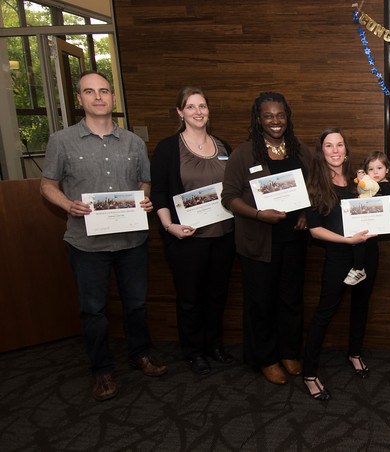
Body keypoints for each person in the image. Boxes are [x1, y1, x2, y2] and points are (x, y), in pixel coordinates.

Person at [40, 71, 167, 401]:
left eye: (104, 91)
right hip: (87, 243)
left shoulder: (134, 143)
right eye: (89, 92)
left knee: (136, 304)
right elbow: (47, 186)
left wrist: (144, 198)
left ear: (113, 98)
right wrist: (68, 205)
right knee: (93, 310)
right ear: (79, 99)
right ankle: (102, 370)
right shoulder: (61, 141)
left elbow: (144, 182)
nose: (98, 97)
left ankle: (140, 354)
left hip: (131, 241)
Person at [221, 92, 310, 385]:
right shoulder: (243, 154)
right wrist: (259, 215)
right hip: (258, 242)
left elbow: (314, 190)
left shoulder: (300, 151)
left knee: (291, 300)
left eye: (280, 115)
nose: (276, 121)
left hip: (294, 240)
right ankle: (266, 358)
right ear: (258, 119)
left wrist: (306, 216)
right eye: (269, 116)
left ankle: (288, 352)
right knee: (261, 302)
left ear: (288, 117)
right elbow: (229, 197)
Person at [150, 87, 235, 376]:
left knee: (217, 295)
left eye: (202, 106)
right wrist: (168, 225)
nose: (198, 112)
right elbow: (160, 192)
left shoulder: (224, 146)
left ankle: (214, 345)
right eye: (191, 107)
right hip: (187, 238)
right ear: (180, 112)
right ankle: (193, 351)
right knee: (190, 297)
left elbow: (235, 189)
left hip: (223, 235)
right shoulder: (167, 148)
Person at [303, 128, 377, 400]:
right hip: (339, 256)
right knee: (324, 313)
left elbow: (378, 206)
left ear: (346, 149)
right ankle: (309, 373)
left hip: (367, 253)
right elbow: (314, 230)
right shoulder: (315, 184)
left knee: (360, 306)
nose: (335, 150)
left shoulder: (361, 180)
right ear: (321, 151)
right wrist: (346, 241)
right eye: (329, 146)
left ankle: (355, 354)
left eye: (339, 145)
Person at [344, 151, 390, 285]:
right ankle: (357, 268)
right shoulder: (367, 187)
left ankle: (358, 268)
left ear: (387, 170)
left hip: (373, 236)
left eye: (379, 168)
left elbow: (389, 212)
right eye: (371, 169)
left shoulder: (388, 189)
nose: (375, 172)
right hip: (360, 234)